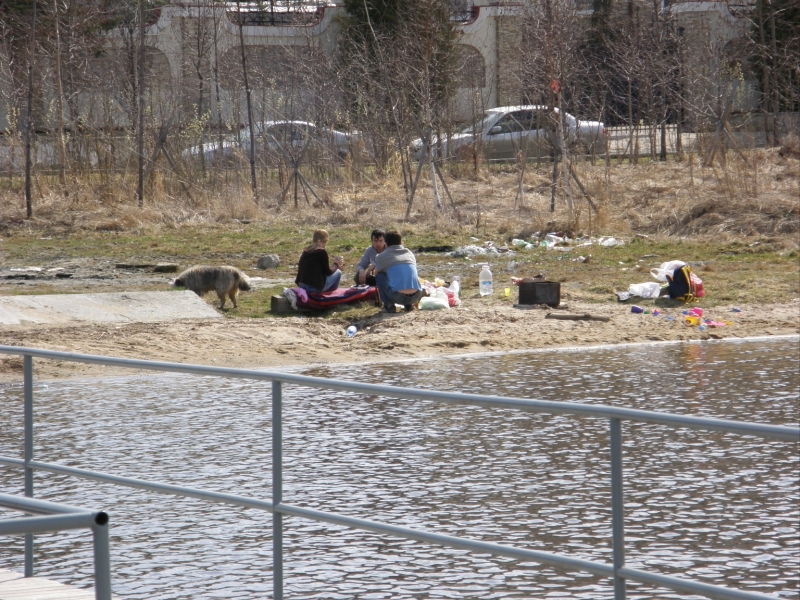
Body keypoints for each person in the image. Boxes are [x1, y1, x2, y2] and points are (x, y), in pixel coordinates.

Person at [366, 230, 423, 313]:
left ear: (386, 243)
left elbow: (376, 273)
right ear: (401, 242)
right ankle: (409, 305)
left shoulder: (381, 256)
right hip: (417, 295)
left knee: (380, 276)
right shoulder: (409, 253)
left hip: (398, 297)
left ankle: (389, 305)